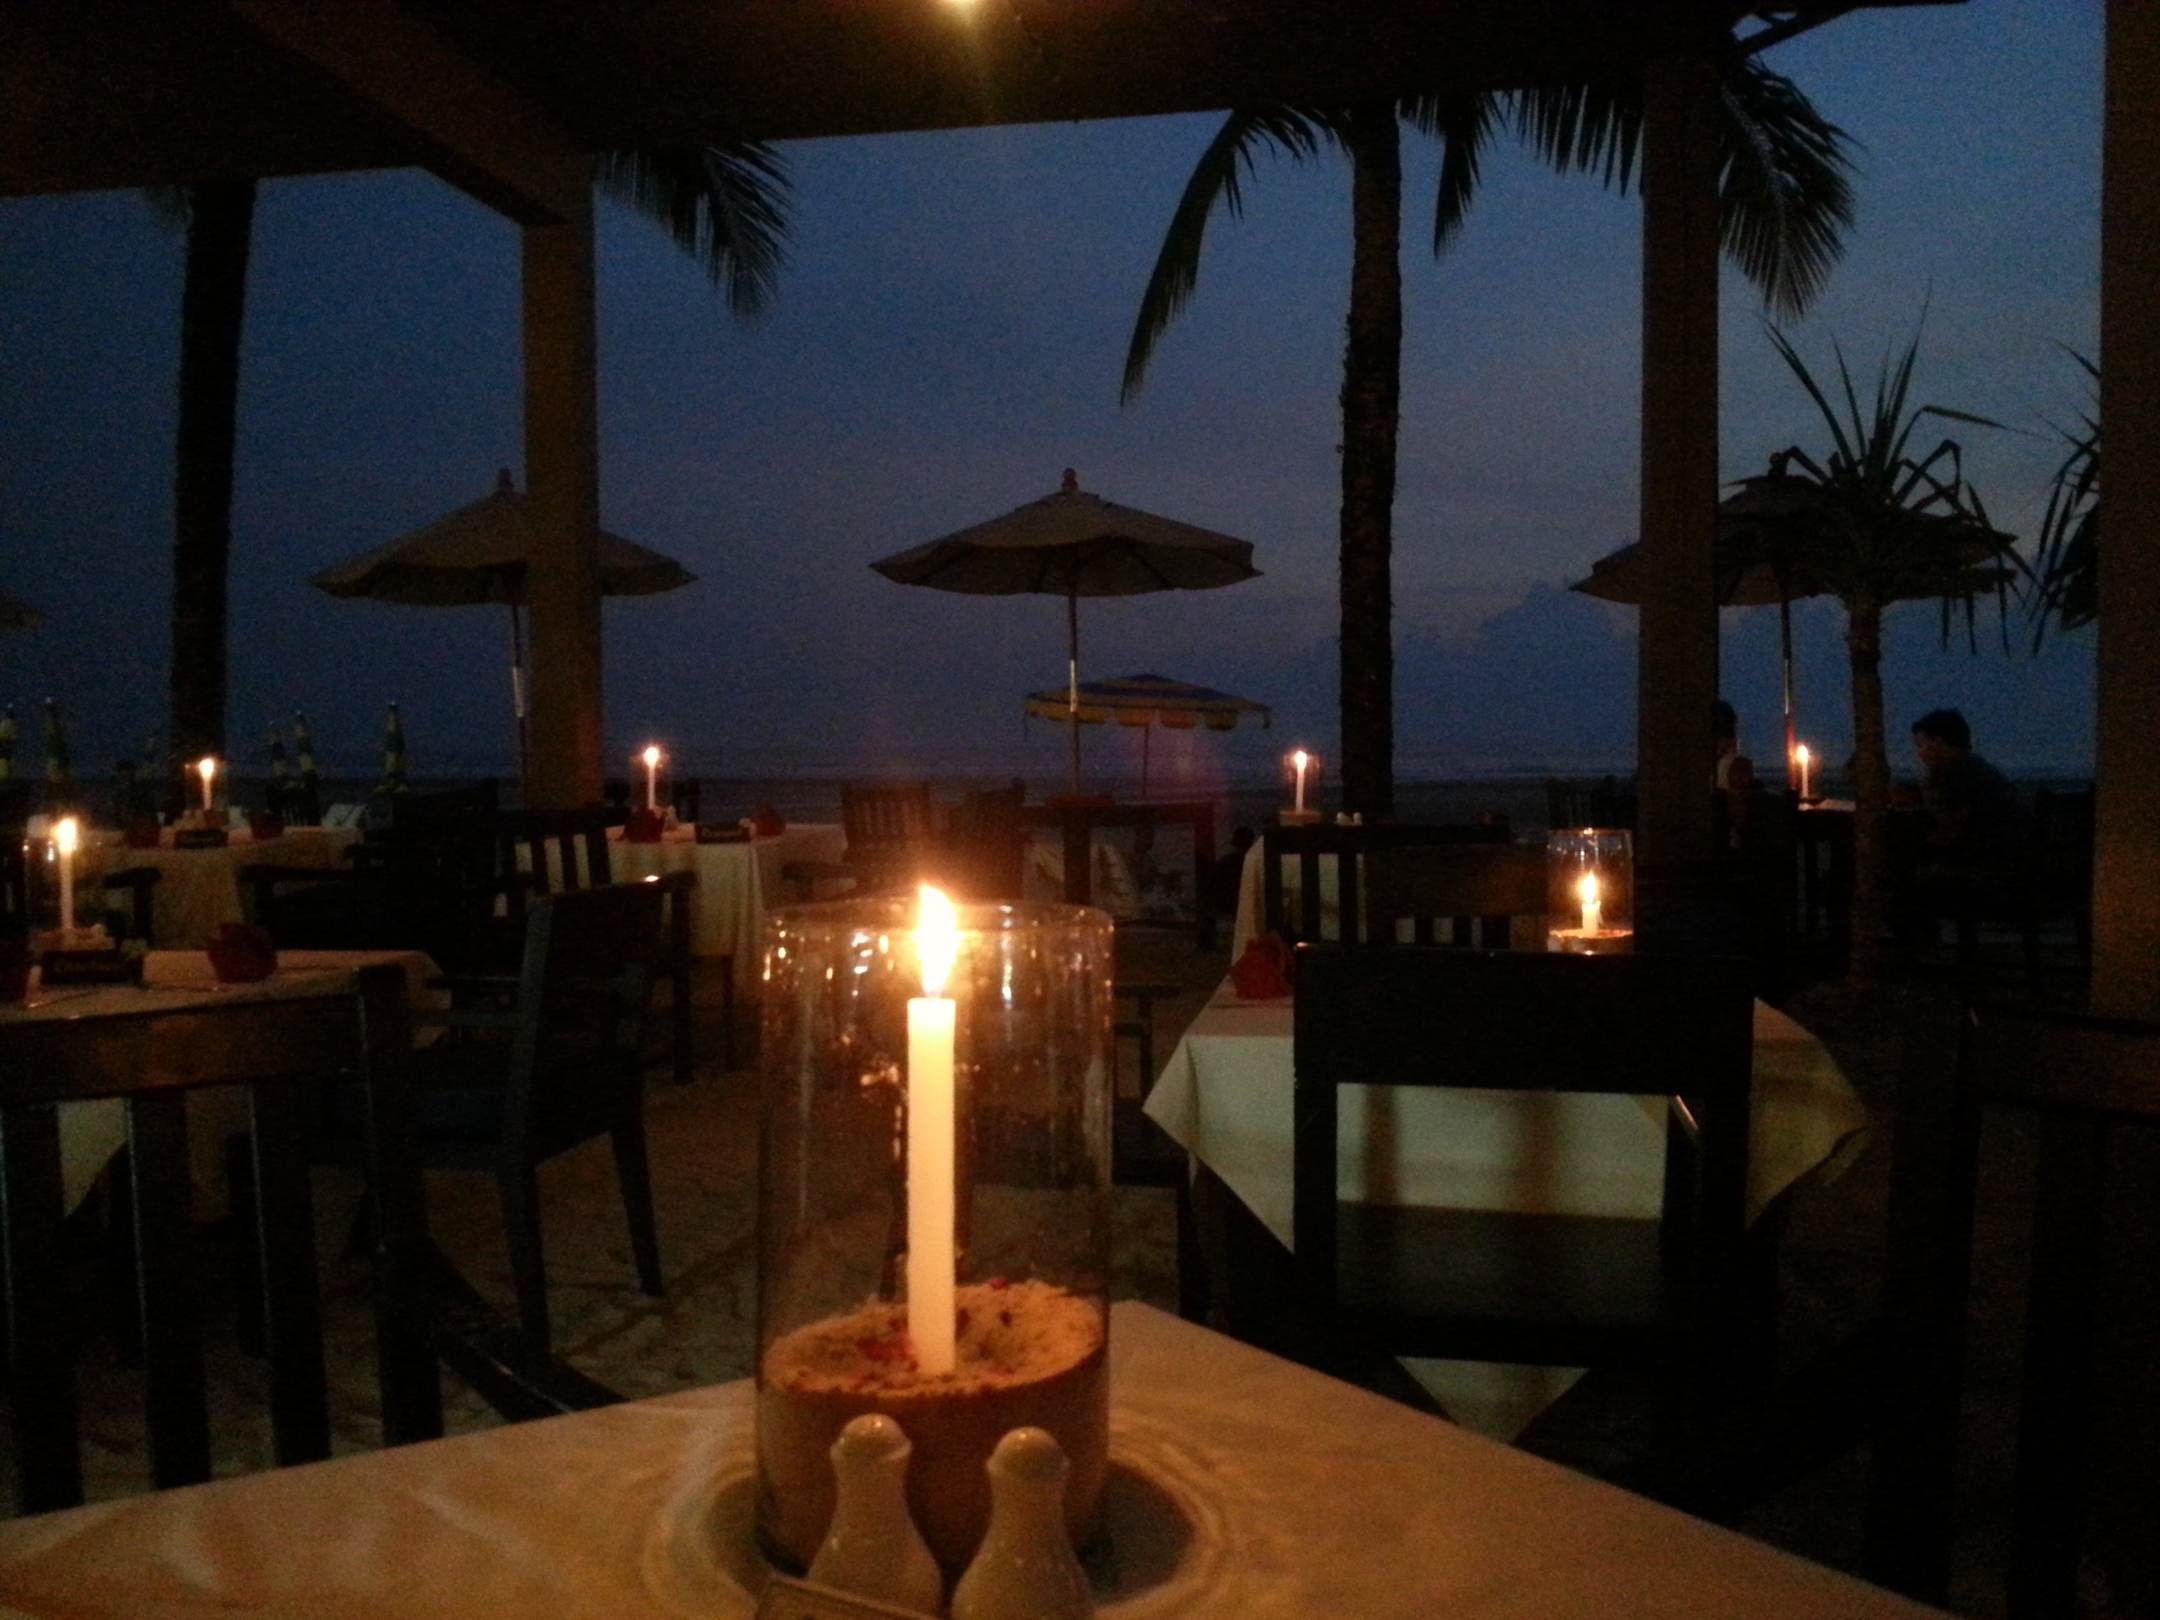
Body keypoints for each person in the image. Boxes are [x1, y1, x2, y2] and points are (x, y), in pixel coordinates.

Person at [1909, 707, 2018, 866]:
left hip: (1987, 859)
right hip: (2002, 853)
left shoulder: (1959, 774)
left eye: (1921, 745)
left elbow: (1952, 829)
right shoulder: (1976, 767)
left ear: (1938, 743)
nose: (1919, 754)